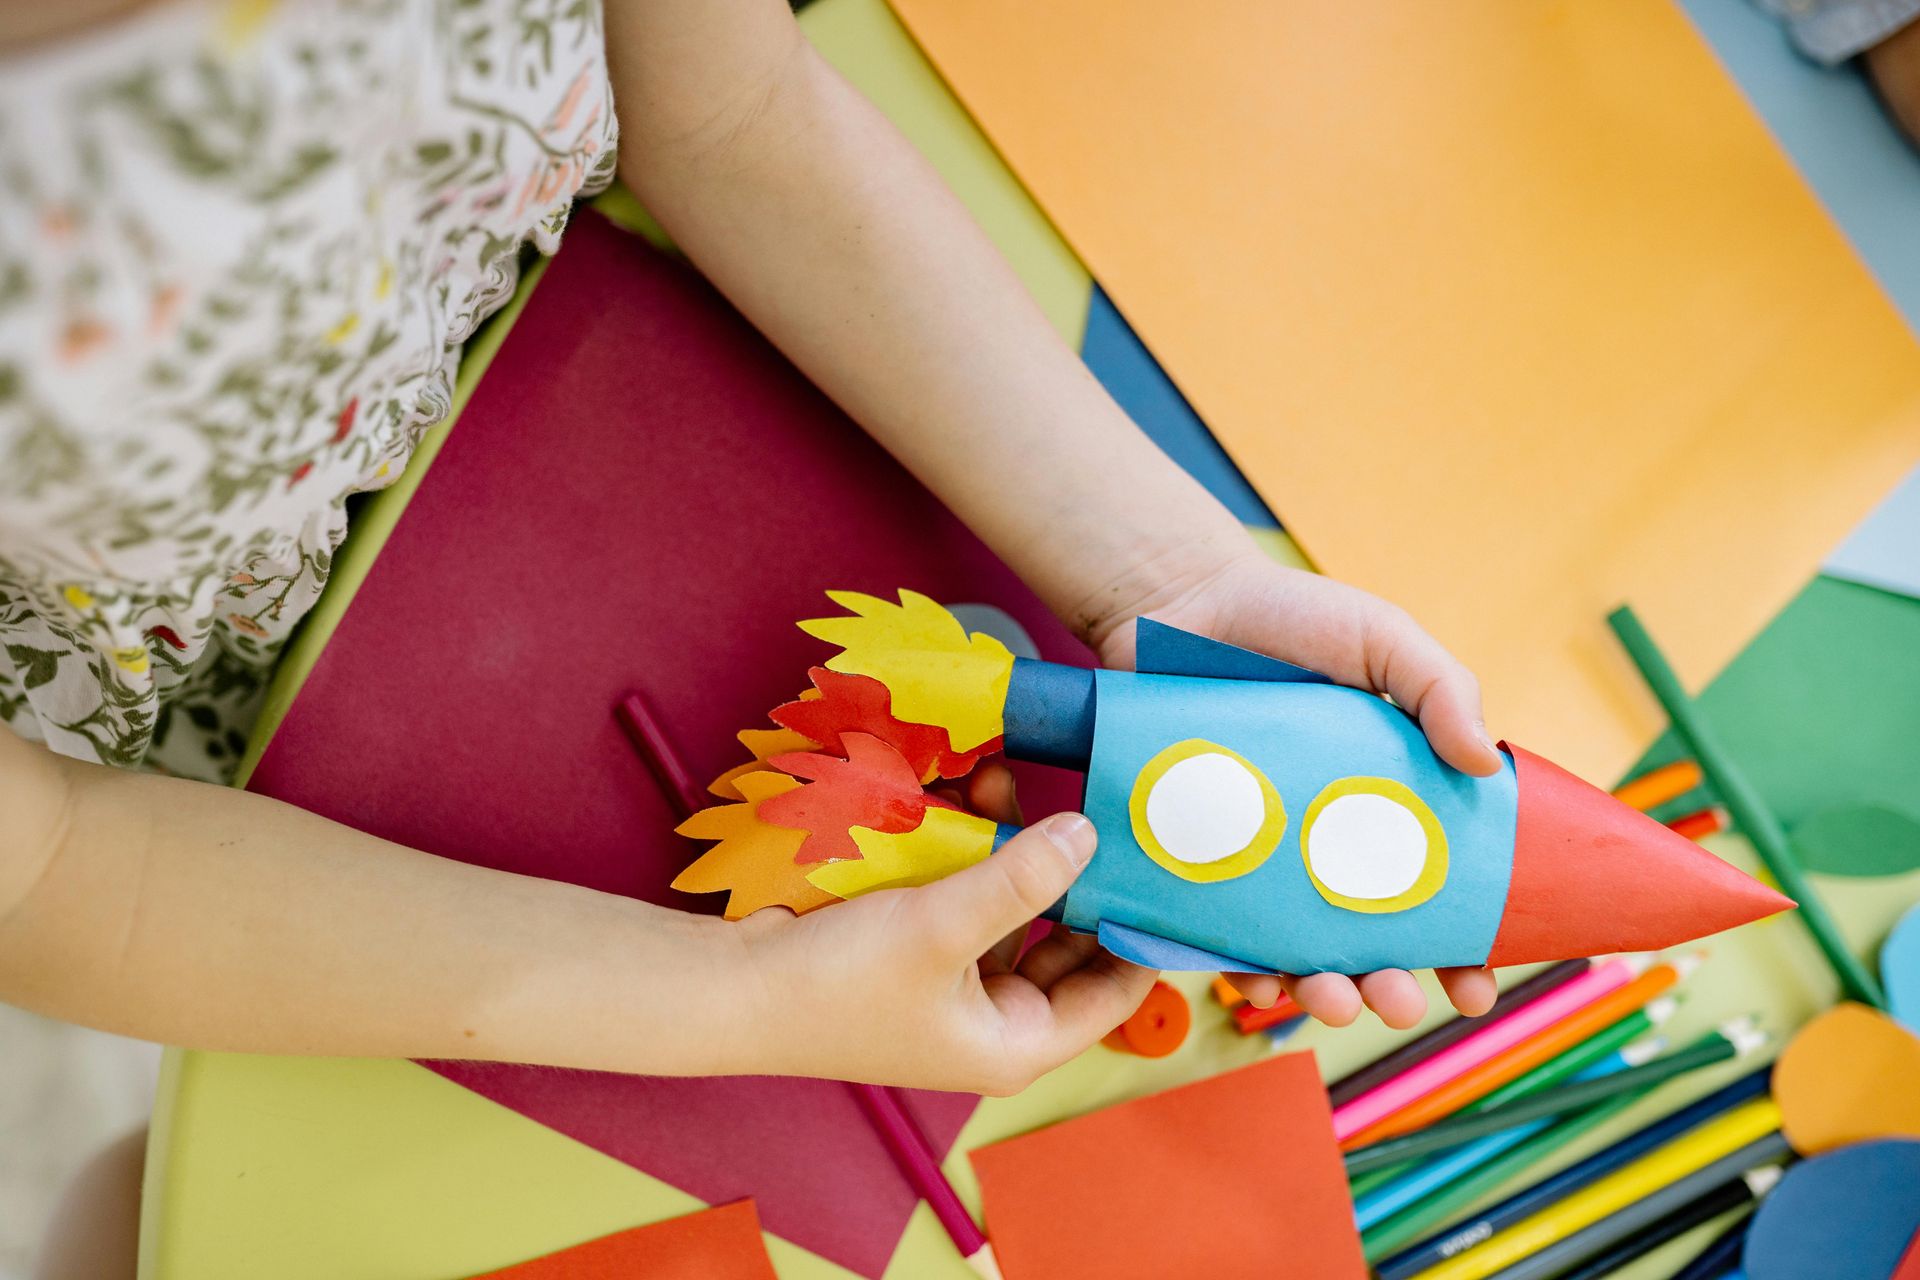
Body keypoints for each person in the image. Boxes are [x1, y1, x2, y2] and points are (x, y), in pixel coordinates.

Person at [2, 3, 1507, 1267]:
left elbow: (726, 103)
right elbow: (52, 871)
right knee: (144, 1213)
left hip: (678, 397)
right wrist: (740, 1007)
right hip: (289, 817)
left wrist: (1171, 573)